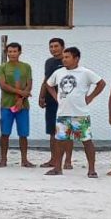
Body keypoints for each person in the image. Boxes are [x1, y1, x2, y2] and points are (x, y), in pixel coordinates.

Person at [45, 47, 106, 178]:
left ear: (76, 58)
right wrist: (56, 96)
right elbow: (49, 84)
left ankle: (91, 169)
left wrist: (90, 97)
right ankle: (57, 167)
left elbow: (101, 83)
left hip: (80, 113)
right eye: (64, 57)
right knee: (60, 141)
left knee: (86, 141)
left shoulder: (85, 72)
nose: (64, 59)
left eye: (67, 57)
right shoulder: (58, 72)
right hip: (62, 113)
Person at [0, 43, 33, 168]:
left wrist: (21, 98)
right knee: (5, 132)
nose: (12, 54)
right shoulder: (3, 68)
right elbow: (3, 85)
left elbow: (29, 85)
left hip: (23, 105)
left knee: (23, 133)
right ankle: (3, 159)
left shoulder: (26, 67)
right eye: (10, 51)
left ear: (19, 52)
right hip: (7, 105)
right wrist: (20, 93)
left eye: (14, 51)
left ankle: (24, 159)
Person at [39, 38, 71, 169]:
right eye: (51, 47)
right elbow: (46, 80)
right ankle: (54, 159)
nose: (53, 49)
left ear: (63, 47)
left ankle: (68, 161)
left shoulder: (69, 61)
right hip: (51, 100)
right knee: (53, 131)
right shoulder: (49, 62)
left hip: (67, 100)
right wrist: (41, 96)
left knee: (67, 130)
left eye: (56, 46)